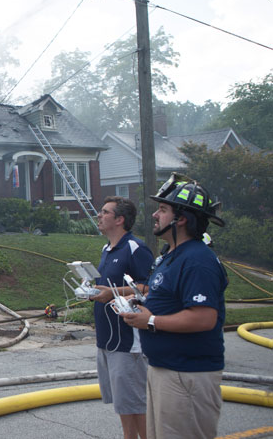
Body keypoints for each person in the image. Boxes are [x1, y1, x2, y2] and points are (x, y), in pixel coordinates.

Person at [121, 173, 227, 439]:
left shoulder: (197, 261)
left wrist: (151, 321)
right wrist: (143, 305)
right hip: (165, 370)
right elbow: (171, 302)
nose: (155, 215)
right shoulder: (171, 256)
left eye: (163, 209)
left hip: (187, 375)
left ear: (181, 219)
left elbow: (203, 319)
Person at [90, 196, 153, 439]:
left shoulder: (135, 248)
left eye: (105, 212)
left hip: (129, 340)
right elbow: (106, 289)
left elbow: (149, 287)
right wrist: (94, 292)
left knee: (137, 402)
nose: (99, 215)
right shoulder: (106, 249)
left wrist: (113, 293)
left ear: (120, 219)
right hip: (107, 338)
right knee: (122, 402)